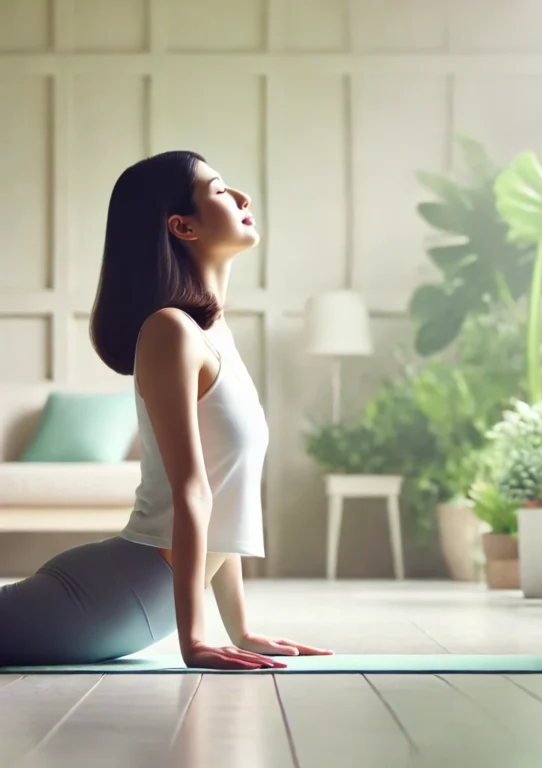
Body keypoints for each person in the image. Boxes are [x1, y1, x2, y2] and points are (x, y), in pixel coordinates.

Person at [0, 151, 333, 670]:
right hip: (107, 596)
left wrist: (241, 631)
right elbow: (190, 491)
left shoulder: (213, 336)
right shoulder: (169, 330)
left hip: (130, 600)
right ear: (182, 226)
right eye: (219, 190)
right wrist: (194, 641)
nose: (243, 197)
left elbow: (224, 497)